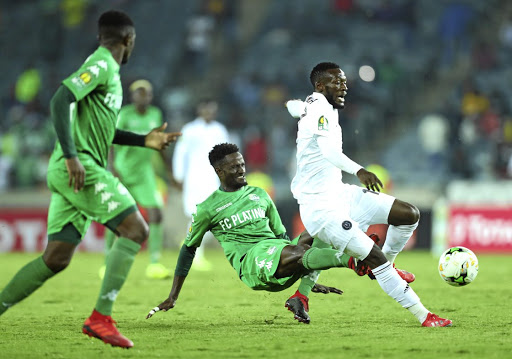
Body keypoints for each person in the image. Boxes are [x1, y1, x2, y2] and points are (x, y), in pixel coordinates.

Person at [0, 10, 181, 348]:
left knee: (56, 258)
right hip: (80, 166)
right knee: (136, 229)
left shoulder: (105, 72)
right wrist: (71, 157)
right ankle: (101, 318)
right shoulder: (101, 65)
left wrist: (145, 140)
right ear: (128, 41)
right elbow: (60, 98)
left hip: (74, 169)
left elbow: (105, 129)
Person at [285, 62, 452, 327]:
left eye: (344, 81)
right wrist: (360, 170)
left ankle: (387, 267)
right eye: (336, 81)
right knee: (373, 257)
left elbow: (293, 106)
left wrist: (300, 108)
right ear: (320, 85)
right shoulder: (320, 110)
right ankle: (424, 315)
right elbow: (329, 152)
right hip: (320, 207)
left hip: (340, 194)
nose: (344, 86)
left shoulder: (316, 105)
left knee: (408, 215)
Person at [146, 143, 384, 324]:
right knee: (298, 250)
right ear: (219, 170)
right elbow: (188, 249)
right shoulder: (207, 208)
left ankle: (302, 293)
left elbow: (280, 237)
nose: (241, 169)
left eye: (242, 164)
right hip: (252, 263)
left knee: (319, 226)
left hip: (277, 253)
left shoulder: (259, 194)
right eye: (234, 166)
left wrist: (304, 271)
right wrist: (173, 296)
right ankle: (353, 259)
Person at [102, 79, 174, 280]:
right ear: (133, 96)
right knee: (117, 217)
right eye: (140, 93)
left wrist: (169, 173)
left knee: (156, 214)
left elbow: (159, 144)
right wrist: (112, 167)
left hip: (144, 174)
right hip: (123, 172)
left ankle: (154, 263)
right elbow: (111, 139)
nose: (144, 97)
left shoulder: (155, 115)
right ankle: (107, 262)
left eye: (147, 93)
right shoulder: (124, 114)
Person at [172, 99, 230, 270]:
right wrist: (178, 175)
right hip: (194, 178)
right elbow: (180, 153)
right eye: (207, 109)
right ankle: (196, 256)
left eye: (213, 110)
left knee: (216, 217)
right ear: (200, 110)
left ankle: (189, 243)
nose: (210, 113)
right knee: (196, 216)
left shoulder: (220, 130)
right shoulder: (190, 130)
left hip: (213, 179)